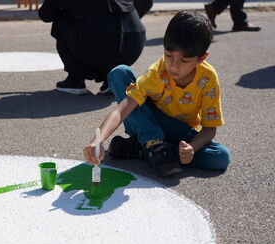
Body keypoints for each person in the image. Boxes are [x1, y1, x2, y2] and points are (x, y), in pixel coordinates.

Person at [83, 11, 230, 177]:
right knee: (119, 73)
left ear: (201, 58)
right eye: (168, 55)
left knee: (220, 157)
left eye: (184, 60)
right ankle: (153, 144)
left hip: (179, 133)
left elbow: (210, 128)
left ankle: (143, 149)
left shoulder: (208, 78)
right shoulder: (157, 72)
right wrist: (99, 139)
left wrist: (191, 149)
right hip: (145, 121)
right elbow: (121, 110)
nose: (173, 65)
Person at [38, 0, 146, 95]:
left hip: (99, 44)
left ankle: (75, 79)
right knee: (103, 27)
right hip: (133, 43)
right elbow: (146, 2)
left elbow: (46, 15)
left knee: (61, 21)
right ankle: (112, 78)